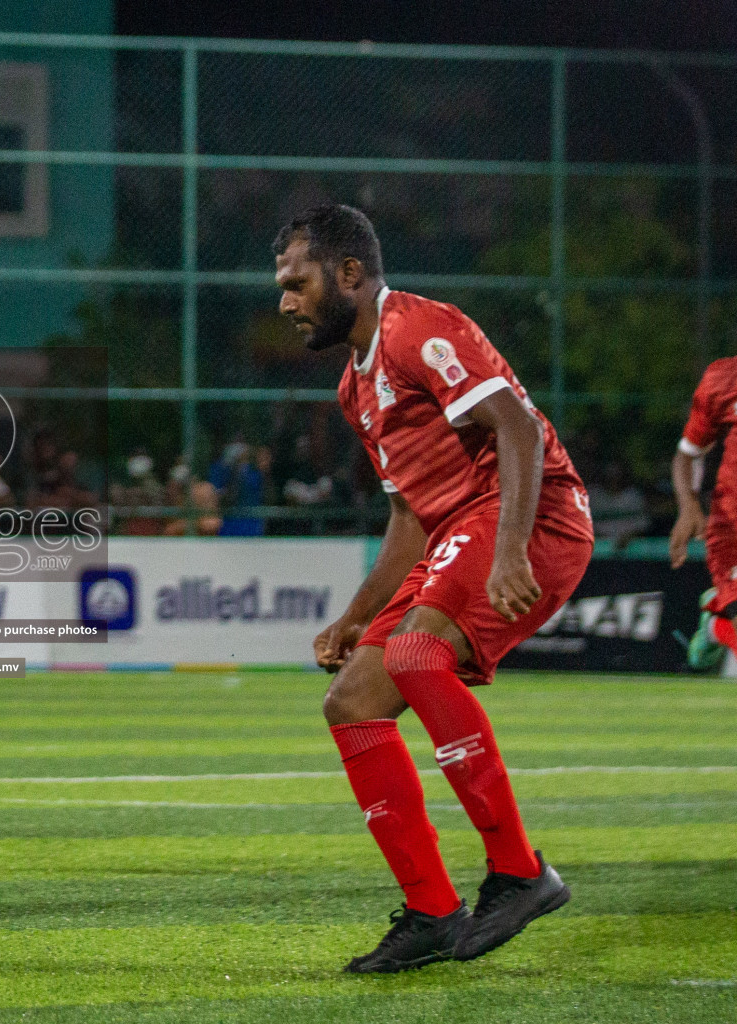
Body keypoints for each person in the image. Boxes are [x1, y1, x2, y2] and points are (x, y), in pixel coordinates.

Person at [275, 204, 594, 973]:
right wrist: (357, 615)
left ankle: (520, 873)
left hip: (532, 515)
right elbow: (411, 520)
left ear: (349, 274)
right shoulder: (356, 389)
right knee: (351, 702)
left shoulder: (419, 329)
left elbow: (515, 426)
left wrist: (510, 550)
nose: (286, 302)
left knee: (420, 656)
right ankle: (429, 910)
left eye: (298, 282)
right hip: (460, 528)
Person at [671, 357, 737, 668]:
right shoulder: (724, 379)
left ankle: (715, 619)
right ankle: (716, 623)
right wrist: (688, 506)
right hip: (731, 529)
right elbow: (688, 455)